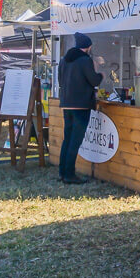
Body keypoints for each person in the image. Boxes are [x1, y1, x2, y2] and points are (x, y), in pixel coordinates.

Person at [58, 32, 104, 184]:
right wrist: (101, 75)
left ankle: (62, 172)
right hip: (81, 105)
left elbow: (60, 80)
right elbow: (93, 80)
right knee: (75, 141)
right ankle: (70, 174)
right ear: (88, 47)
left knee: (68, 139)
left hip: (66, 104)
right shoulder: (85, 60)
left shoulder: (64, 60)